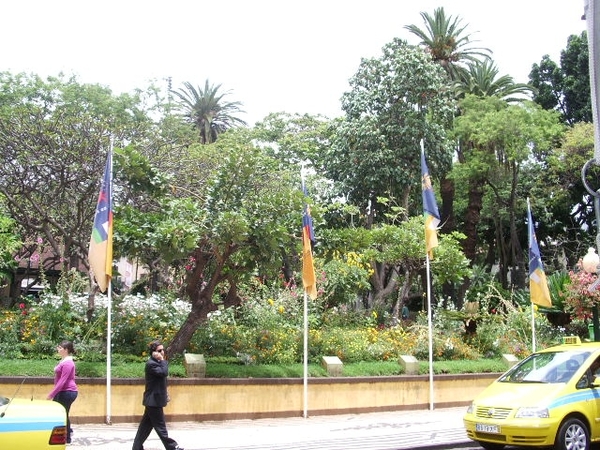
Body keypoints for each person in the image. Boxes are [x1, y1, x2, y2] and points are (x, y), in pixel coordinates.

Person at [132, 341, 183, 450]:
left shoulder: (157, 363)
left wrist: (166, 393)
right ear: (153, 352)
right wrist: (163, 360)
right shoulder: (152, 364)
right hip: (153, 401)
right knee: (161, 427)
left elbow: (160, 381)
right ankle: (172, 447)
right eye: (159, 350)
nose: (162, 352)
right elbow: (164, 373)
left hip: (154, 401)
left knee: (145, 427)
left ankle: (136, 447)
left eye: (163, 350)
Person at [47, 340, 78, 444]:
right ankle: (68, 432)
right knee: (61, 413)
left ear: (66, 350)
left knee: (63, 413)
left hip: (68, 392)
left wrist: (51, 394)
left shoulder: (68, 363)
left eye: (60, 348)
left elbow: (62, 381)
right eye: (58, 347)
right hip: (63, 391)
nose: (58, 349)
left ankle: (67, 437)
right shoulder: (63, 361)